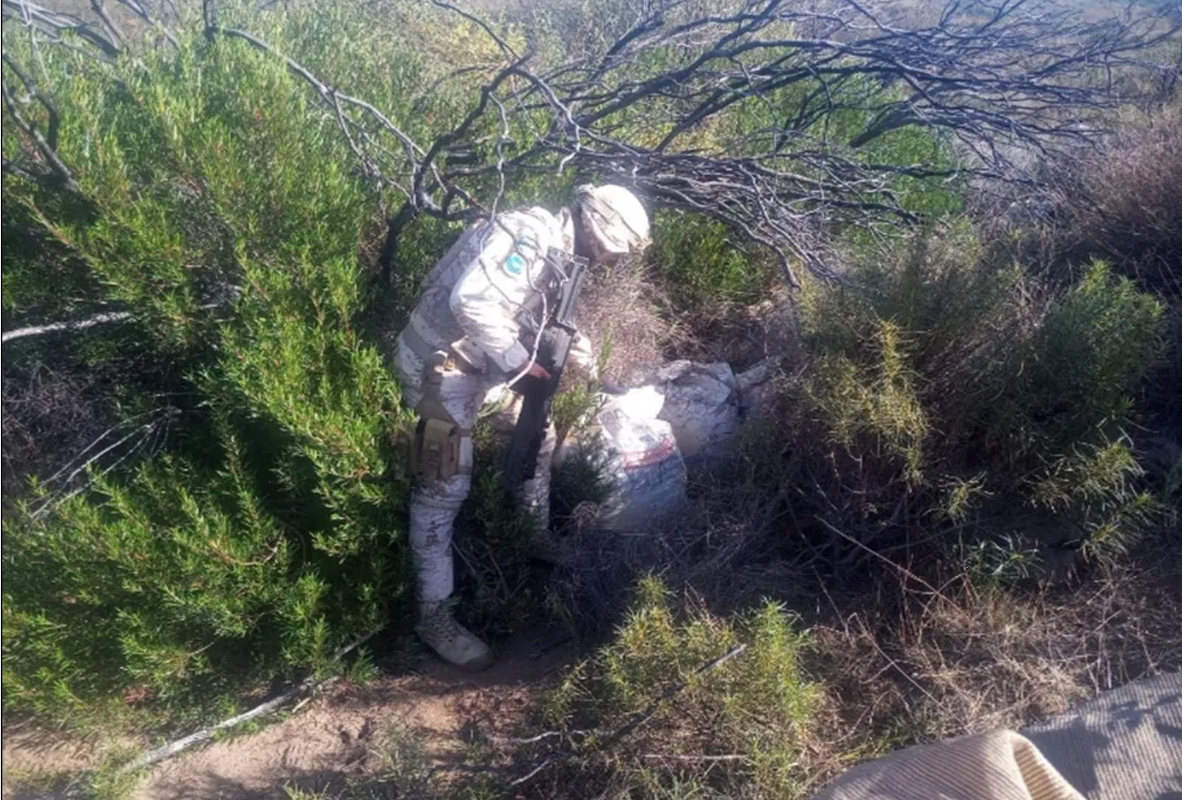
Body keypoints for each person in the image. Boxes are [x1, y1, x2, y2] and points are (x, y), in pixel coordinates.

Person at [394, 184, 651, 670]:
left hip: (478, 371)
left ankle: (530, 535)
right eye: (610, 252)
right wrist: (522, 365)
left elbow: (529, 310)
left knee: (537, 436)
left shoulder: (558, 252)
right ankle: (432, 618)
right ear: (597, 234)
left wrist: (576, 351)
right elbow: (471, 301)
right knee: (439, 490)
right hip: (432, 371)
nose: (608, 262)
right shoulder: (530, 238)